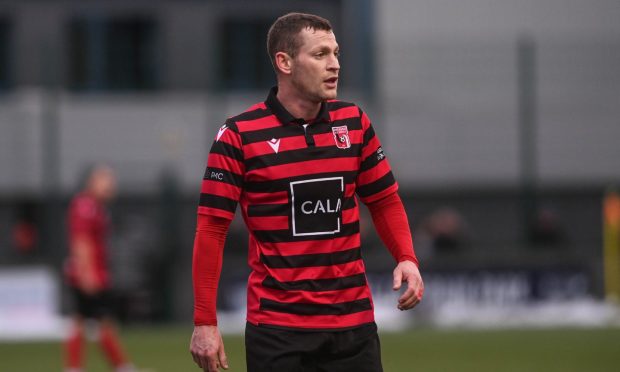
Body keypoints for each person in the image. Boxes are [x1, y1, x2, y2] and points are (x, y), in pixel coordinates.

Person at [190, 12, 424, 372]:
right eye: (320, 55)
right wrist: (205, 321)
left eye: (336, 53)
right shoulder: (239, 135)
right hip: (278, 331)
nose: (334, 65)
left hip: (354, 326)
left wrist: (406, 257)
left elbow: (384, 200)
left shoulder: (354, 122)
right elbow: (211, 229)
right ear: (284, 62)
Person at [64, 165, 135, 372]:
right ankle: (122, 367)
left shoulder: (95, 207)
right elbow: (81, 242)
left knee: (81, 320)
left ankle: (74, 367)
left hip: (89, 273)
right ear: (91, 182)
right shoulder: (86, 207)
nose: (111, 185)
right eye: (105, 180)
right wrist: (87, 274)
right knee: (103, 321)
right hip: (89, 275)